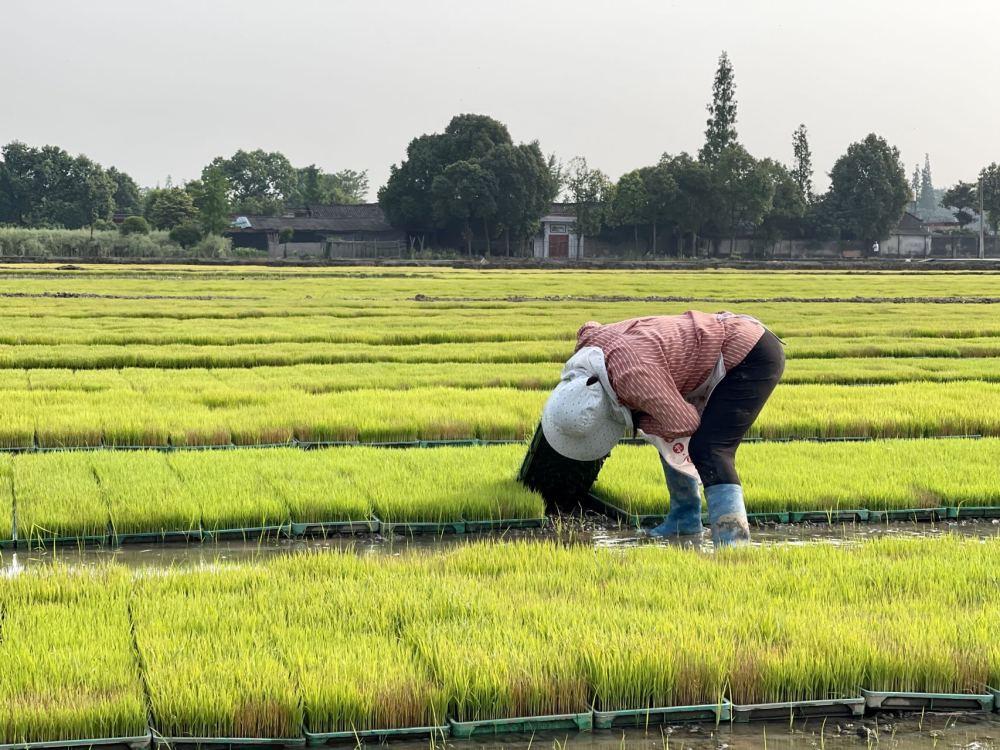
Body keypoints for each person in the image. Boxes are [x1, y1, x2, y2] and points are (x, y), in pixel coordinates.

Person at [540, 311, 784, 546]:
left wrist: (640, 421)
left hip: (748, 356)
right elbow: (589, 326)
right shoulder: (589, 348)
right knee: (662, 423)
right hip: (714, 346)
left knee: (709, 449)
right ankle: (684, 519)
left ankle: (734, 546)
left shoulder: (634, 378)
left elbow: (685, 423)